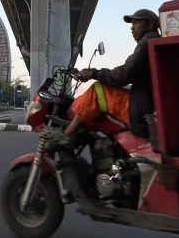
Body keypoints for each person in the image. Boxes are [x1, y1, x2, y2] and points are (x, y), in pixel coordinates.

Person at [56, 9, 161, 141]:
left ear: (150, 25)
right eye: (131, 24)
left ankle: (66, 137)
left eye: (136, 23)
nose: (132, 28)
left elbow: (123, 75)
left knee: (98, 89)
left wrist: (93, 73)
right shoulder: (153, 42)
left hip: (142, 114)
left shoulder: (147, 42)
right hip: (147, 105)